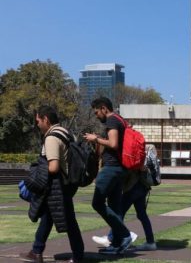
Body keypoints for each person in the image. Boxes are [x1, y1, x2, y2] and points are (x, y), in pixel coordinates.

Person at [20, 106, 84, 263]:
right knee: (48, 216)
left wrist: (37, 173)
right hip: (67, 183)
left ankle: (78, 255)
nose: (37, 125)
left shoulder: (51, 138)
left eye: (38, 121)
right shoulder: (67, 132)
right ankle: (37, 250)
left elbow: (53, 167)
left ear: (45, 119)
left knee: (68, 220)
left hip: (57, 186)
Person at [84, 97, 133, 255]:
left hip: (111, 168)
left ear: (104, 108)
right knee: (114, 207)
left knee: (97, 203)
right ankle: (117, 244)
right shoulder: (120, 119)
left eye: (97, 112)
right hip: (120, 169)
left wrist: (95, 139)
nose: (96, 115)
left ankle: (125, 235)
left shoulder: (112, 120)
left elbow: (113, 144)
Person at [92, 145, 157, 251]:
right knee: (141, 215)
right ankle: (150, 242)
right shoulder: (139, 148)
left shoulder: (129, 147)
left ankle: (112, 237)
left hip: (133, 186)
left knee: (119, 211)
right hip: (143, 185)